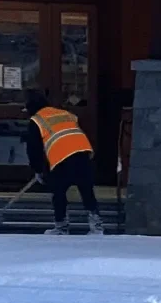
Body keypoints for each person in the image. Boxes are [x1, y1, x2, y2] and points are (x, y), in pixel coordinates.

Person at [22, 88, 102, 233]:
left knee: (58, 193)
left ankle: (61, 226)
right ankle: (96, 226)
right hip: (83, 152)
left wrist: (38, 170)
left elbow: (33, 148)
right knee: (86, 191)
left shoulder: (37, 120)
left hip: (62, 158)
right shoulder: (65, 114)